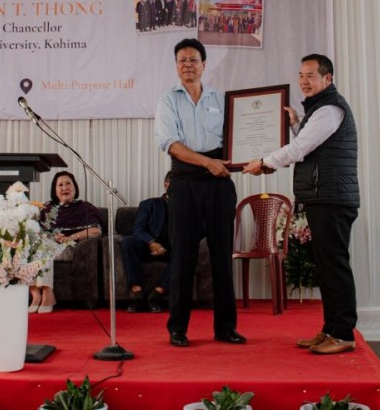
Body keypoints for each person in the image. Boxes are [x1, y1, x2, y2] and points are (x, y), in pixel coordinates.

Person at [242, 54, 360, 355]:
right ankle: (330, 330)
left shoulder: (330, 109)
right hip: (324, 197)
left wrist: (264, 162)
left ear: (327, 78)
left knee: (334, 267)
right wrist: (296, 123)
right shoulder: (319, 110)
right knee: (326, 267)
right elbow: (310, 146)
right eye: (301, 76)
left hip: (332, 198)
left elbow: (300, 148)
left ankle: (343, 334)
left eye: (310, 76)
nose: (304, 81)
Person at [154, 38, 244, 347]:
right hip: (184, 182)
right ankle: (178, 328)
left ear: (204, 64)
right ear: (176, 66)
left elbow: (238, 138)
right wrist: (207, 162)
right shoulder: (168, 101)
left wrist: (256, 158)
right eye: (182, 60)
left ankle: (226, 328)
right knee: (183, 257)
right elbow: (171, 144)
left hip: (219, 183)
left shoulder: (222, 99)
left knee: (222, 257)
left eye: (193, 59)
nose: (188, 65)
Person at [30, 171, 103, 313]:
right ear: (55, 190)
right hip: (49, 244)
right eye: (60, 185)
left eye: (68, 183)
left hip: (69, 247)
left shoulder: (85, 207)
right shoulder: (48, 208)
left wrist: (71, 237)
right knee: (32, 245)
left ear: (75, 187)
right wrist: (52, 236)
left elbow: (96, 230)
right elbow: (37, 230)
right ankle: (36, 294)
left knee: (45, 248)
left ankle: (47, 292)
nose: (65, 188)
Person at [122, 172, 172, 313]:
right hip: (147, 246)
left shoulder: (188, 207)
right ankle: (137, 294)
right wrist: (151, 242)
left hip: (172, 250)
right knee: (128, 242)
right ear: (166, 185)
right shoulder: (149, 204)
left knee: (187, 250)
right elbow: (138, 229)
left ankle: (156, 295)